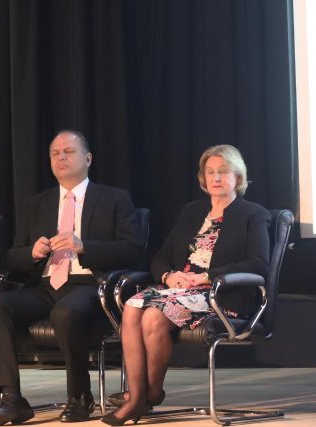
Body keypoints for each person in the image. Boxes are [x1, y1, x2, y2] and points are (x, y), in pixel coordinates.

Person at [101, 145, 270, 426]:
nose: (216, 177)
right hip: (179, 289)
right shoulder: (192, 212)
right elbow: (161, 257)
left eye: (223, 172)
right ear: (203, 178)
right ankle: (139, 396)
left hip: (219, 295)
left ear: (238, 178)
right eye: (210, 172)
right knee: (131, 306)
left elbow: (258, 263)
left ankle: (145, 395)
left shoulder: (253, 214)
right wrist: (168, 276)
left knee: (154, 316)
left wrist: (206, 277)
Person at [0, 130, 141, 425]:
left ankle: (79, 396)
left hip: (89, 284)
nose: (61, 158)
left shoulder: (114, 199)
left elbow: (132, 251)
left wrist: (84, 246)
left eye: (68, 151)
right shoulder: (37, 204)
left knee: (66, 312)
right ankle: (12, 397)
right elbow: (12, 257)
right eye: (55, 153)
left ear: (88, 158)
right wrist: (32, 252)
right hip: (45, 284)